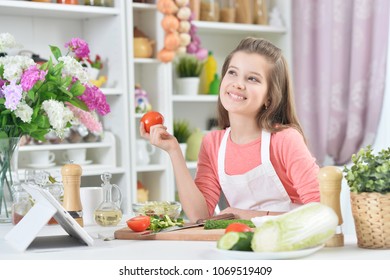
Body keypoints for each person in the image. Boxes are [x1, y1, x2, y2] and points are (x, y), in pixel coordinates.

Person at [140, 37, 320, 222]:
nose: (238, 83)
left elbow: (321, 211)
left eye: (252, 78)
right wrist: (173, 151)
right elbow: (199, 216)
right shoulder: (213, 144)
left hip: (291, 245)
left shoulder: (284, 140)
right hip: (241, 245)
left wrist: (247, 216)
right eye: (232, 73)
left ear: (269, 97)